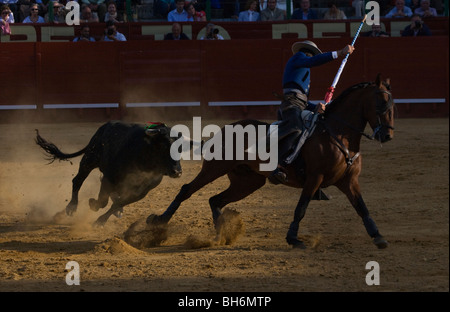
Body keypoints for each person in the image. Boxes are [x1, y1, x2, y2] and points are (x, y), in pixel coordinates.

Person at [270, 40, 354, 184]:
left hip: (298, 104)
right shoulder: (299, 57)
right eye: (311, 55)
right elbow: (314, 62)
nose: (311, 57)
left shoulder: (304, 68)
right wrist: (339, 53)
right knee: (295, 129)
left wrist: (315, 108)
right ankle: (277, 165)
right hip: (290, 104)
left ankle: (308, 173)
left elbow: (302, 101)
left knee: (317, 130)